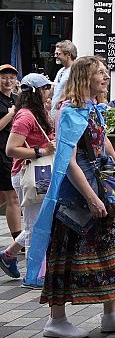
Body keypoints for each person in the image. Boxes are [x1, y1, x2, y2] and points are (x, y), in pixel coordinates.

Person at [30, 56, 115, 338]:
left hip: (98, 189)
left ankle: (111, 314)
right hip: (76, 197)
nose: (106, 78)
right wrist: (92, 197)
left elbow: (103, 140)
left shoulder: (94, 107)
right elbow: (68, 161)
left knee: (109, 249)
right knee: (67, 255)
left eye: (106, 73)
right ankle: (56, 320)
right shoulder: (70, 111)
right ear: (84, 78)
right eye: (100, 74)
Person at [0, 73, 55, 278]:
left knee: (41, 222)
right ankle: (34, 275)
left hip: (37, 172)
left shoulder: (37, 112)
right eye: (45, 88)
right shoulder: (25, 116)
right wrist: (41, 151)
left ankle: (9, 255)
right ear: (37, 91)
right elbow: (11, 149)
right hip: (28, 174)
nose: (48, 91)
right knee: (36, 225)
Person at [0, 64, 18, 245]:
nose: (8, 81)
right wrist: (10, 115)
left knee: (4, 196)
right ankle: (17, 241)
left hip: (12, 153)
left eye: (11, 78)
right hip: (1, 153)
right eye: (4, 77)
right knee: (13, 196)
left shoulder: (16, 99)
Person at [49, 40, 76, 113]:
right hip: (55, 112)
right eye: (55, 54)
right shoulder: (61, 70)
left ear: (68, 55)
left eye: (58, 54)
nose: (55, 56)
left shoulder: (75, 71)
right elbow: (54, 90)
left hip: (65, 113)